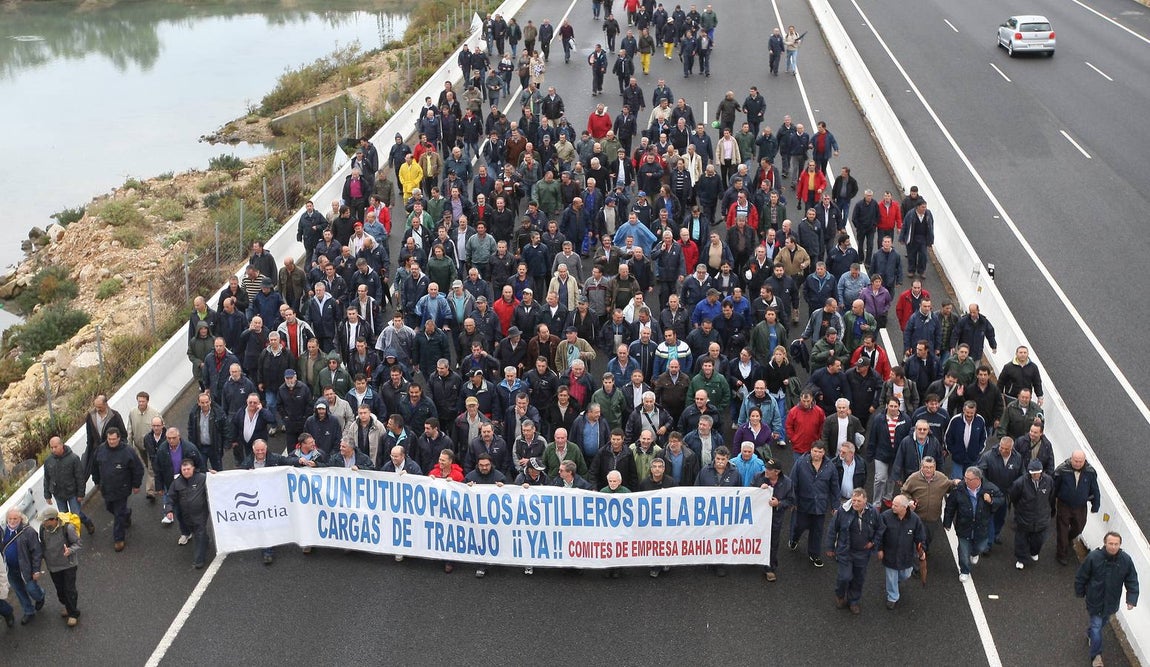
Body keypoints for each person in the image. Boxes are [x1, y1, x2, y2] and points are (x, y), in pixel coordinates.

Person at [1075, 532, 1138, 667]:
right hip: (1095, 601)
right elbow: (1082, 575)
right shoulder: (1093, 557)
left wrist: (1131, 599)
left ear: (1120, 545)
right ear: (1105, 543)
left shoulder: (1126, 560)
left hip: (1111, 602)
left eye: (1116, 544)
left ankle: (1090, 633)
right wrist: (1080, 591)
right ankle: (1096, 657)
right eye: (1111, 543)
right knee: (1097, 627)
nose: (1113, 546)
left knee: (1100, 623)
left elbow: (1132, 580)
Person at [943, 466, 1005, 582]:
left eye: (968, 479)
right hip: (964, 526)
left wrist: (991, 501)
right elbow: (950, 507)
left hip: (981, 526)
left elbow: (1001, 499)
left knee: (981, 546)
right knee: (963, 550)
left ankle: (975, 552)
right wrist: (947, 522)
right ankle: (964, 570)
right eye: (965, 478)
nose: (965, 480)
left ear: (978, 479)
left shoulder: (989, 488)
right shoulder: (959, 489)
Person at [827, 488, 881, 615]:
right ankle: (840, 596)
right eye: (853, 500)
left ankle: (854, 601)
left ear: (865, 501)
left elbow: (880, 529)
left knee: (858, 578)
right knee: (844, 577)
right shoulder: (842, 511)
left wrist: (873, 542)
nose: (855, 503)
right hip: (845, 551)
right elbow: (832, 529)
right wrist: (830, 547)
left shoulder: (873, 512)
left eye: (859, 501)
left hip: (862, 553)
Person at [91, 428, 144, 553]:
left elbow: (138, 469)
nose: (112, 441)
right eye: (109, 439)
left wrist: (136, 485)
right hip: (106, 489)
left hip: (122, 489)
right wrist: (97, 482)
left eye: (114, 439)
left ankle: (119, 539)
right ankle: (127, 513)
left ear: (119, 438)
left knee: (118, 514)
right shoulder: (100, 450)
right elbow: (94, 467)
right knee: (111, 508)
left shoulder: (127, 452)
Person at [789, 441, 837, 568]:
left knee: (817, 531)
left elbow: (834, 487)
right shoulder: (800, 463)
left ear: (824, 453)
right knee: (800, 525)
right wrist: (793, 500)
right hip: (803, 503)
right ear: (810, 450)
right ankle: (794, 538)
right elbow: (793, 482)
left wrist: (835, 506)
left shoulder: (830, 466)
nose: (817, 454)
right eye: (815, 451)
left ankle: (814, 554)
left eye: (820, 452)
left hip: (820, 505)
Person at [877, 495, 926, 610]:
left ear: (904, 507)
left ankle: (895, 581)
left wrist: (921, 549)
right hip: (890, 554)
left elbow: (920, 536)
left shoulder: (914, 519)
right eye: (893, 504)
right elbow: (879, 534)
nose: (892, 507)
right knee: (891, 575)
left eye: (896, 505)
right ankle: (892, 597)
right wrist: (879, 549)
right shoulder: (885, 516)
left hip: (907, 554)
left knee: (906, 574)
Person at [1053, 450, 1101, 566]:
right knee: (1062, 531)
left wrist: (1096, 505)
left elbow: (1095, 490)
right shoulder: (1062, 470)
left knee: (1079, 528)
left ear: (1084, 461)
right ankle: (1061, 554)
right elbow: (1054, 487)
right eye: (1076, 461)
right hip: (1064, 505)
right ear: (1071, 459)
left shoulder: (1090, 472)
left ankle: (1069, 538)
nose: (1078, 464)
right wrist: (1051, 505)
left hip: (1080, 506)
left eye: (1080, 461)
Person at [164, 459, 211, 569]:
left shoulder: (202, 478)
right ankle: (206, 540)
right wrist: (169, 510)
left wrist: (213, 475)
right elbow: (170, 497)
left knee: (199, 532)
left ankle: (199, 560)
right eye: (183, 469)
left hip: (200, 513)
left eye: (188, 469)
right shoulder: (177, 482)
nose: (186, 471)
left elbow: (215, 483)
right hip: (186, 515)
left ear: (193, 468)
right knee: (195, 531)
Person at [43, 436, 95, 535]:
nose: (53, 449)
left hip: (72, 493)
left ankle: (87, 522)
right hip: (58, 494)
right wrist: (47, 495)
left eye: (55, 447)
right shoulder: (48, 461)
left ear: (61, 445)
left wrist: (80, 494)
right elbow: (47, 478)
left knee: (77, 514)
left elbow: (80, 477)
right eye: (51, 447)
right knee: (64, 517)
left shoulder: (73, 458)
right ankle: (72, 537)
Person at [1010, 460, 1055, 570]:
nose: (1035, 475)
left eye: (1037, 472)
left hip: (1041, 518)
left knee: (1039, 540)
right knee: (1021, 539)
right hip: (1024, 518)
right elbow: (1014, 498)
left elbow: (1051, 497)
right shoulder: (1020, 483)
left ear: (1042, 472)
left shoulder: (1049, 481)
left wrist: (1049, 511)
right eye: (1033, 473)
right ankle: (1021, 559)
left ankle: (1034, 552)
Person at [3, 508, 45, 624]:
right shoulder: (4, 531)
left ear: (20, 518)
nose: (12, 521)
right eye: (10, 518)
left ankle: (40, 595)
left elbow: (37, 552)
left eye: (15, 518)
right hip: (10, 570)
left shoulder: (28, 532)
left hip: (26, 569)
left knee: (31, 589)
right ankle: (28, 611)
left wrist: (36, 570)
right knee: (19, 591)